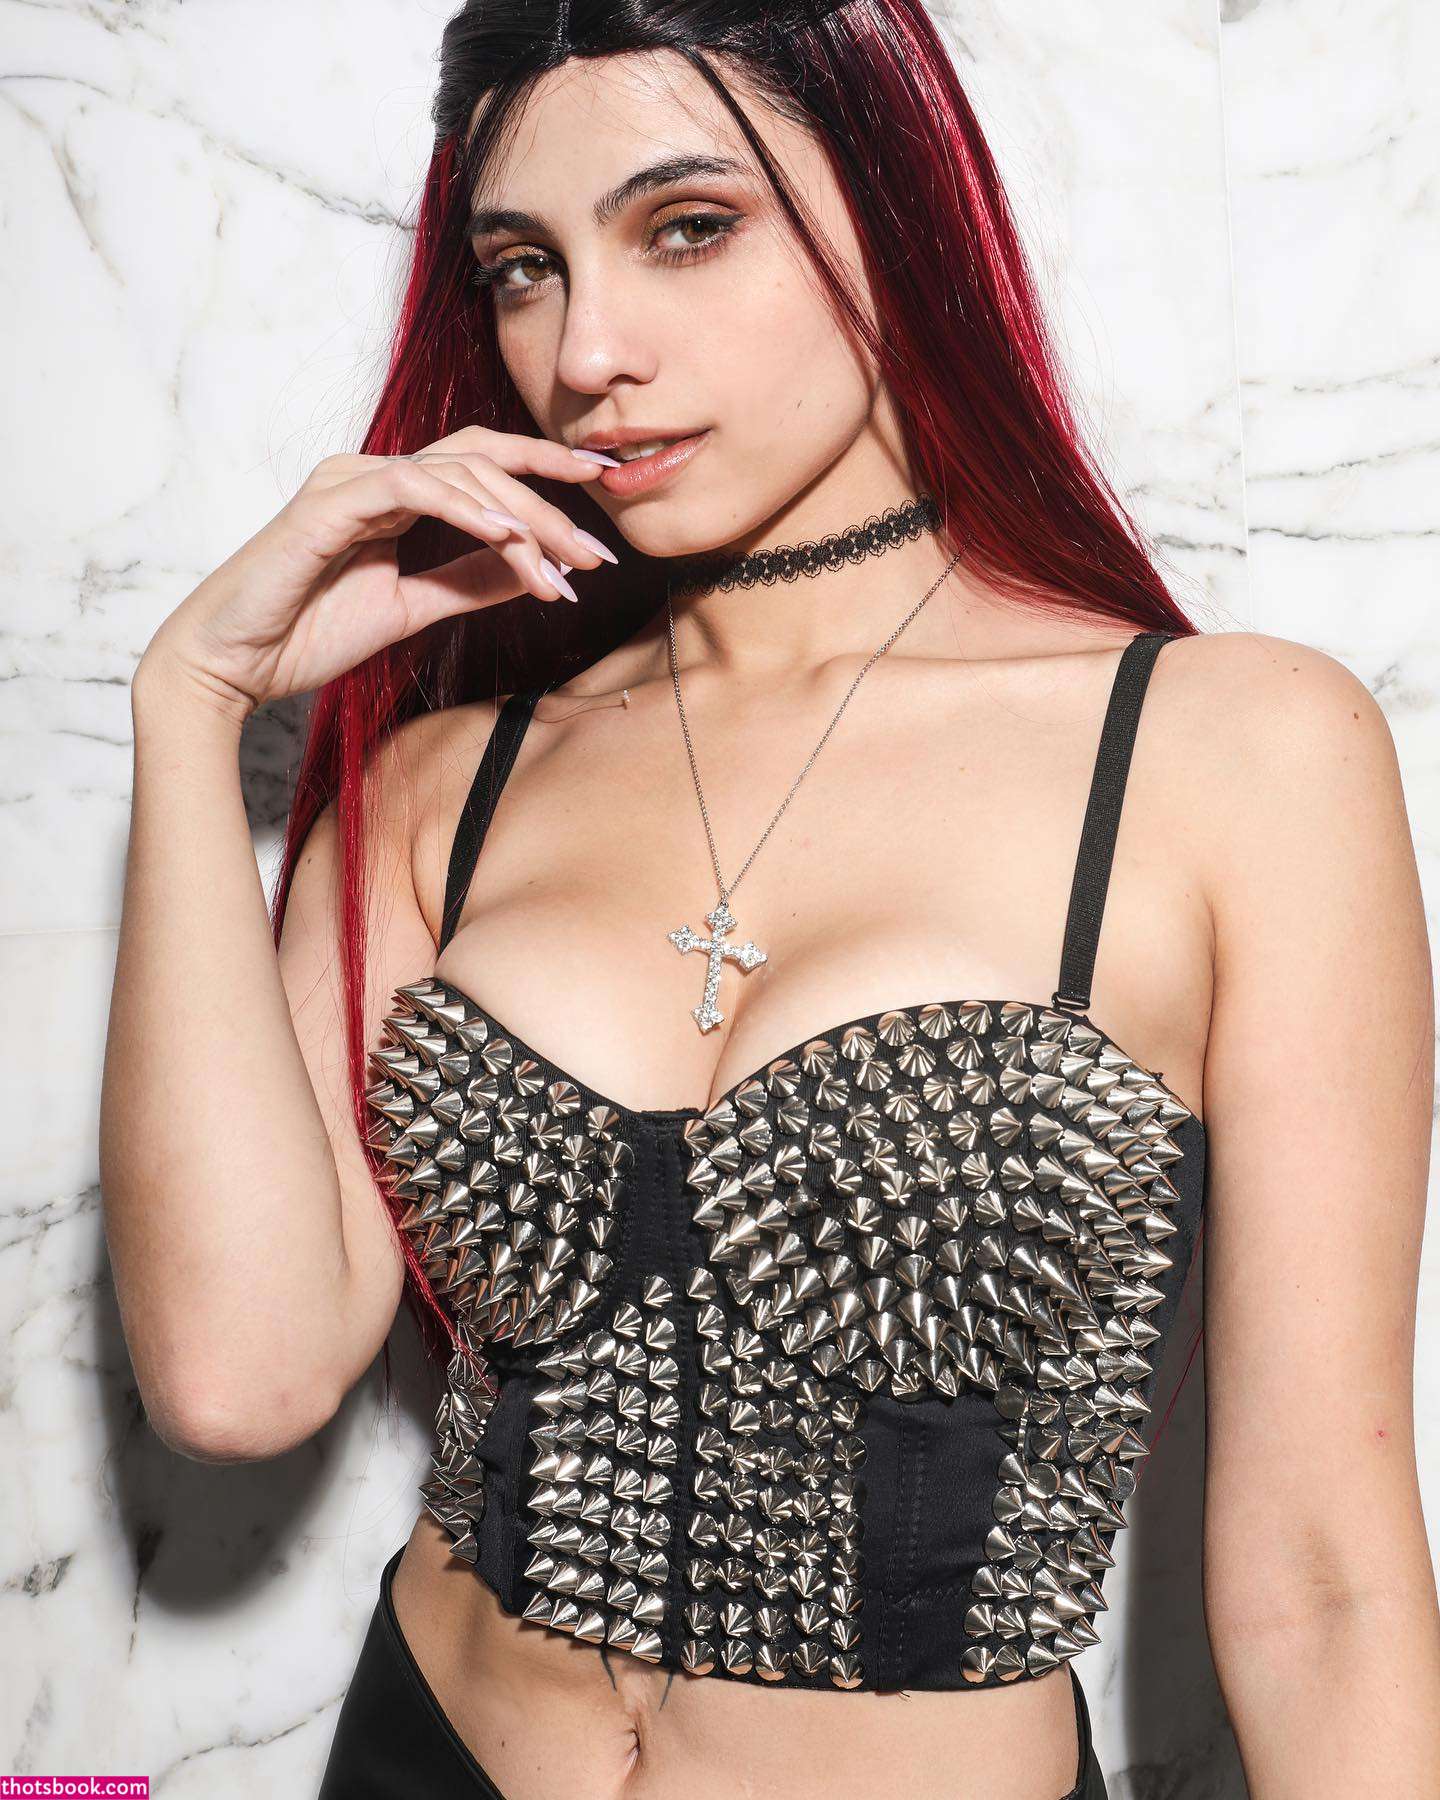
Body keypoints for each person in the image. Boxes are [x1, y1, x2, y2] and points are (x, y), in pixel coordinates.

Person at [98, 1, 1440, 1796]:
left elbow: (1329, 1581)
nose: (587, 351)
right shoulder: (446, 785)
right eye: (523, 268)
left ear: (893, 204)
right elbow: (233, 1378)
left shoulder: (1234, 751)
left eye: (686, 226)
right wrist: (190, 705)